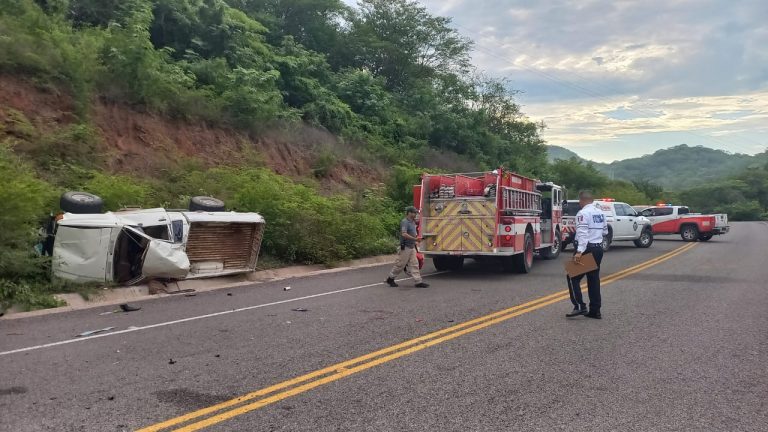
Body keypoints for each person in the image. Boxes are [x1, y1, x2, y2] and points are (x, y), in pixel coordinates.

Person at [566, 190, 607, 319]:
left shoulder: (582, 213)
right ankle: (595, 310)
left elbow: (583, 234)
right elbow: (605, 231)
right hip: (598, 249)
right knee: (593, 279)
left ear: (582, 200)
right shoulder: (600, 213)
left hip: (586, 249)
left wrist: (579, 252)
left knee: (572, 276)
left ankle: (579, 306)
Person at [386, 206, 429, 288]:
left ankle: (418, 282)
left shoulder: (412, 222)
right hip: (405, 247)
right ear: (409, 213)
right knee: (400, 265)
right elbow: (404, 234)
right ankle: (390, 278)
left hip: (412, 247)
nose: (415, 214)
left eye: (415, 213)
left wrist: (416, 241)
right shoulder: (405, 222)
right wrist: (415, 239)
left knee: (414, 264)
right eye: (414, 213)